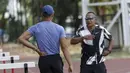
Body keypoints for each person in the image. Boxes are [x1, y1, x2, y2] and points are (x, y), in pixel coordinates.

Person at [18, 5, 73, 73]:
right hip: (56, 60)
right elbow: (64, 48)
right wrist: (70, 64)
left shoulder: (36, 27)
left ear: (42, 14)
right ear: (53, 14)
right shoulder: (59, 28)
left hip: (44, 59)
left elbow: (21, 38)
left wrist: (36, 49)